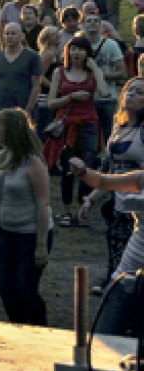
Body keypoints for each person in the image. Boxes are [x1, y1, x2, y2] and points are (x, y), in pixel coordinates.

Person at [0, 108, 52, 326]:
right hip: (6, 232)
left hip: (30, 234)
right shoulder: (4, 156)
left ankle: (40, 333)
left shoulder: (33, 162)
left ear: (11, 129)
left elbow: (43, 203)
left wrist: (41, 245)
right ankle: (18, 329)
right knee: (5, 288)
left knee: (26, 289)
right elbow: (0, 196)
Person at [80, 79, 144, 290]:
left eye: (139, 92)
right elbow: (107, 173)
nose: (131, 95)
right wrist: (90, 199)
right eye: (129, 90)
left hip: (139, 204)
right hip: (118, 204)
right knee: (117, 255)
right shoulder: (119, 127)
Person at [43, 35, 108, 227]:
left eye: (80, 49)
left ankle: (82, 210)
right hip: (66, 125)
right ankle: (66, 211)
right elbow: (51, 103)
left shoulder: (91, 73)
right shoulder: (59, 73)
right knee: (67, 170)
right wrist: (72, 96)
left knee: (87, 168)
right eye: (73, 49)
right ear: (67, 51)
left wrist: (95, 68)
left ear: (87, 53)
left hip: (89, 124)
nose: (76, 52)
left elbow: (104, 93)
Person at [82, 9, 126, 143]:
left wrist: (100, 75)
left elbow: (122, 72)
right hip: (85, 97)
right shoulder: (78, 45)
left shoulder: (111, 45)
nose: (93, 23)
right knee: (87, 136)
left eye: (96, 21)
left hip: (108, 97)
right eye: (89, 21)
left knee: (110, 134)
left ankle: (109, 161)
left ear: (101, 25)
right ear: (83, 25)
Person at [0, 22, 43, 113]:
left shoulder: (32, 57)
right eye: (7, 33)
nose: (10, 36)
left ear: (22, 35)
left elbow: (36, 86)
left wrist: (29, 109)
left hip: (22, 108)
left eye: (13, 33)